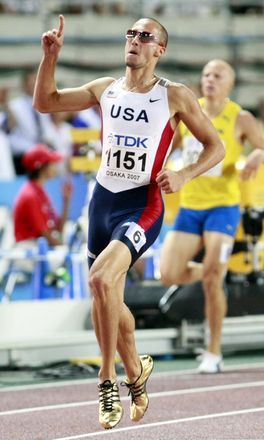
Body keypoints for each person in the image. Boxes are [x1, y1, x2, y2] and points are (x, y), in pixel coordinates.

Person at [33, 15, 224, 429]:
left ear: (160, 50)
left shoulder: (174, 96)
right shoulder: (106, 89)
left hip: (143, 203)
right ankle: (136, 369)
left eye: (145, 36)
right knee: (111, 302)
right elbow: (46, 102)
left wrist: (186, 174)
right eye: (131, 34)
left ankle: (108, 379)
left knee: (100, 281)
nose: (135, 40)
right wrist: (50, 57)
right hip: (102, 202)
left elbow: (216, 146)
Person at [160, 59, 264, 374]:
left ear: (229, 84)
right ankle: (214, 274)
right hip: (191, 207)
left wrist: (254, 158)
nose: (209, 79)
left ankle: (213, 351)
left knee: (212, 281)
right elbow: (168, 147)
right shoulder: (191, 110)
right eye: (205, 74)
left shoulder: (240, 117)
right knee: (169, 273)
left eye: (217, 75)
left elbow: (262, 149)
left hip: (223, 207)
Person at [13, 143, 72, 246]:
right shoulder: (30, 195)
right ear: (41, 167)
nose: (55, 167)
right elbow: (47, 237)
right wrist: (67, 249)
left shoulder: (40, 192)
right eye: (52, 163)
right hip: (29, 253)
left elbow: (58, 229)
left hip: (39, 249)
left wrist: (66, 201)